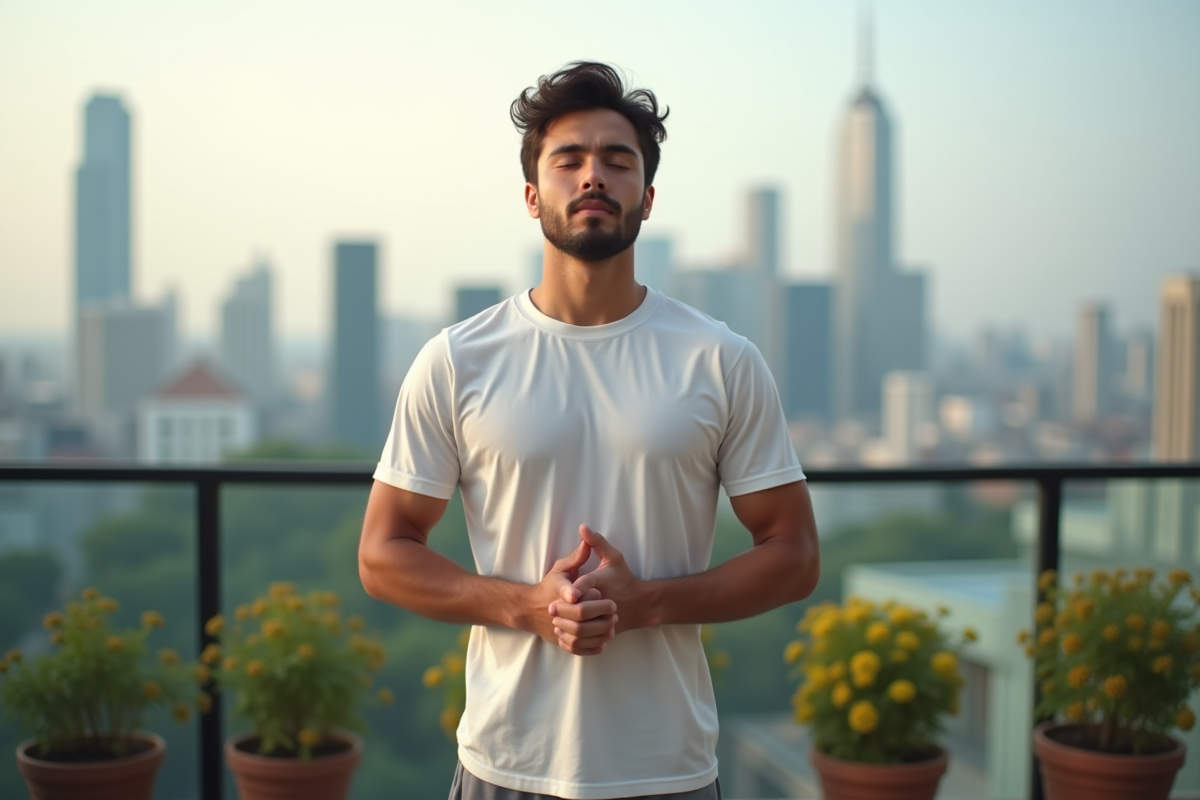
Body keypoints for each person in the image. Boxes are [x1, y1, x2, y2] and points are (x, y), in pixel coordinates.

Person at [359, 61, 820, 800]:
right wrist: (527, 607)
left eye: (617, 160)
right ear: (531, 194)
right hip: (504, 762)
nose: (593, 175)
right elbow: (382, 556)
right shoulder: (456, 360)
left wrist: (648, 604)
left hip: (666, 768)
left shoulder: (721, 359)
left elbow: (794, 556)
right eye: (568, 159)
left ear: (647, 197)